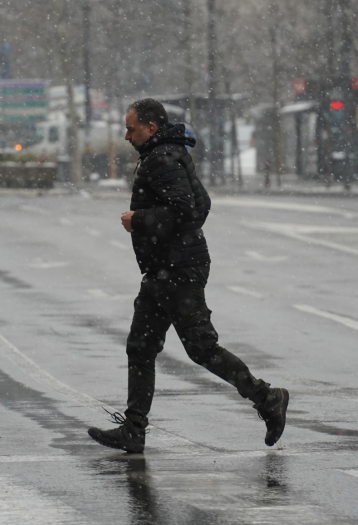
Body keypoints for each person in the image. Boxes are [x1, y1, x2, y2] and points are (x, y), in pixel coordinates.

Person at [87, 99, 289, 453]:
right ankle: (134, 429)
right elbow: (201, 205)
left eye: (131, 128)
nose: (126, 135)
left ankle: (268, 398)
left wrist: (141, 221)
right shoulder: (167, 153)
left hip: (177, 270)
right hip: (167, 268)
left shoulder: (163, 158)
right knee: (141, 345)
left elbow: (186, 209)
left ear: (151, 127)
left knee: (201, 348)